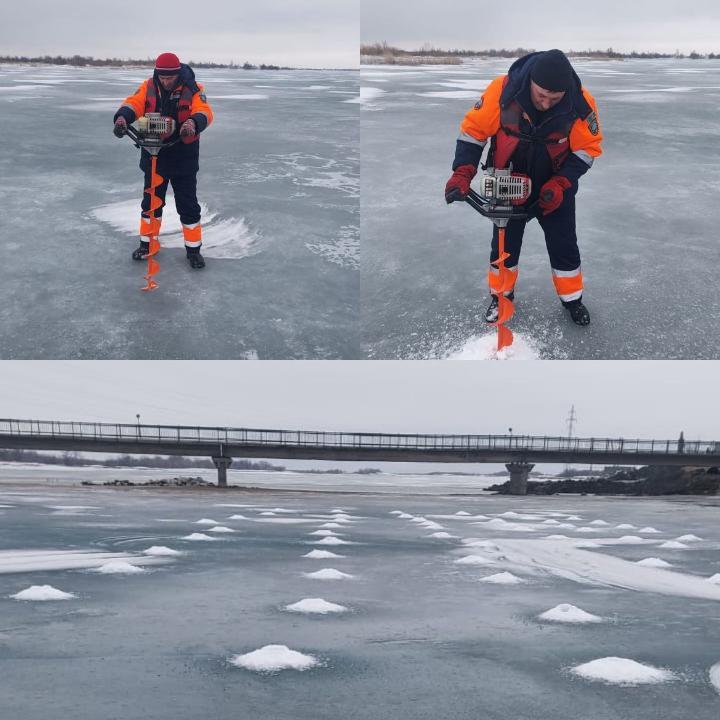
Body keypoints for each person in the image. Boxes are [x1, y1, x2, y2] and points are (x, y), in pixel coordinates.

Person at [445, 49, 602, 325]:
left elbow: (587, 150)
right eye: (541, 95)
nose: (545, 103)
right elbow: (473, 132)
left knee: (564, 245)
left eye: (554, 99)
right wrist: (463, 171)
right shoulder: (502, 90)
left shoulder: (581, 103)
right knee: (504, 246)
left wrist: (561, 183)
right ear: (531, 81)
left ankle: (572, 300)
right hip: (509, 184)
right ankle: (500, 297)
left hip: (554, 190)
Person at [113, 52, 214, 269]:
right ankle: (147, 245)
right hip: (153, 155)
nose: (166, 82)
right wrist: (122, 118)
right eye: (162, 77)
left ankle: (193, 250)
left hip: (183, 159)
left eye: (170, 78)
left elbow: (204, 111)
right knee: (150, 204)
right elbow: (134, 103)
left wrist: (193, 124)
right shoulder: (148, 86)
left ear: (177, 74)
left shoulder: (194, 89)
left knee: (187, 205)